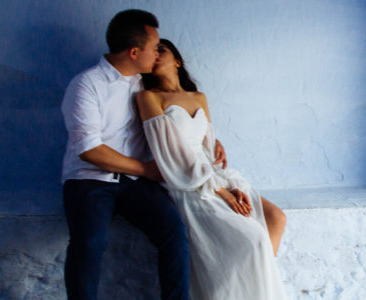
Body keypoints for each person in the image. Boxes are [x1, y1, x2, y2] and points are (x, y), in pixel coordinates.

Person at [60, 10, 228, 300]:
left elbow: (178, 122)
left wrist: (211, 140)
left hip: (136, 184)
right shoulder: (86, 85)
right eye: (154, 48)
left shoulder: (146, 85)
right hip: (90, 181)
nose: (158, 54)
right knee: (90, 242)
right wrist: (146, 169)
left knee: (174, 233)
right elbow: (89, 150)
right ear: (134, 52)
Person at [137, 39, 288, 300]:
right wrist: (221, 192)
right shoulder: (148, 97)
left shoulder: (199, 97)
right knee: (255, 242)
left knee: (276, 218)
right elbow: (171, 154)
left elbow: (206, 148)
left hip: (211, 174)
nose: (155, 54)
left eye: (162, 49)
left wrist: (226, 176)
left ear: (177, 60)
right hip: (185, 180)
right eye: (153, 51)